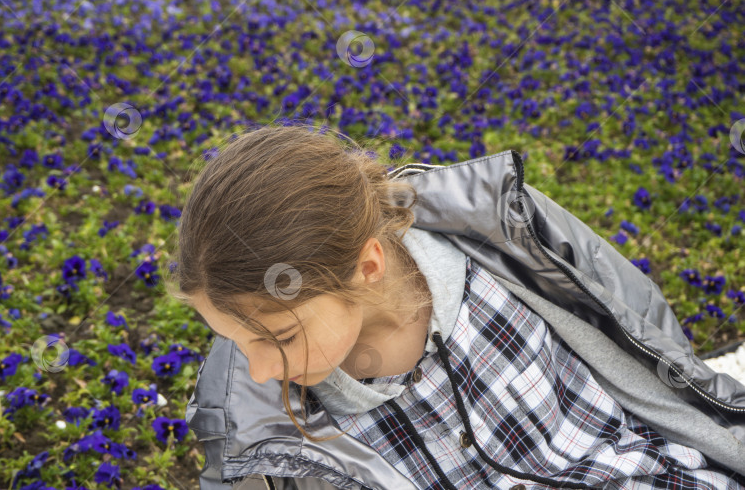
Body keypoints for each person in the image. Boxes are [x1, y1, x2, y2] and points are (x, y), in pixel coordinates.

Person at [166, 124, 745, 489]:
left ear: (366, 267)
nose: (260, 370)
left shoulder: (499, 243)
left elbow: (635, 321)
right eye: (238, 343)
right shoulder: (266, 426)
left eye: (280, 339)